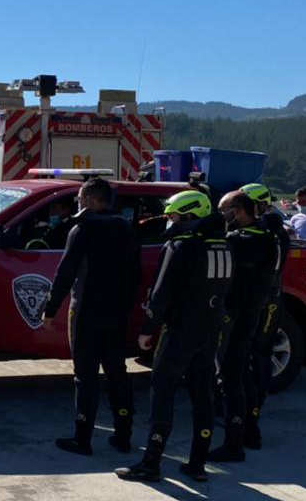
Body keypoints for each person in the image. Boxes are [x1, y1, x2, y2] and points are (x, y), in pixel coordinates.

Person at [115, 191, 234, 483]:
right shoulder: (225, 245)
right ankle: (197, 464)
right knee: (202, 395)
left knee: (162, 392)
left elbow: (161, 292)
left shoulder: (181, 246)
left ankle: (151, 462)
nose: (169, 222)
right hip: (211, 329)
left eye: (174, 217)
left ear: (190, 215)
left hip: (181, 330)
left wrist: (147, 329)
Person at [41, 178, 140, 456]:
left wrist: (50, 309)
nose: (78, 205)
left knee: (85, 376)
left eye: (81, 199)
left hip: (85, 310)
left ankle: (82, 439)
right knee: (117, 372)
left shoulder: (82, 229)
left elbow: (66, 272)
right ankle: (123, 435)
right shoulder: (126, 228)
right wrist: (127, 304)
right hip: (117, 311)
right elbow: (136, 274)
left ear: (91, 200)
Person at [208, 190, 280, 463]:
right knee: (243, 372)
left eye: (223, 210)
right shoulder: (265, 235)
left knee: (230, 375)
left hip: (238, 315)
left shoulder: (245, 241)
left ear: (237, 211)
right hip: (251, 313)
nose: (221, 215)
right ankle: (250, 431)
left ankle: (233, 443)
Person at [239, 183, 290, 450]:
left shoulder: (272, 228)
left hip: (269, 300)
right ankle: (244, 411)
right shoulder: (266, 226)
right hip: (261, 298)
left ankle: (253, 417)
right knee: (247, 356)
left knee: (259, 356)